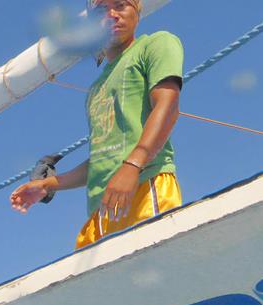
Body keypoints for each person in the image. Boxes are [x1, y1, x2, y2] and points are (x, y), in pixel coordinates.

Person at [10, 0, 183, 250]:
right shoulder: (94, 90)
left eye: (121, 5)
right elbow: (101, 159)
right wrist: (47, 184)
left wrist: (133, 165)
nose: (112, 15)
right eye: (101, 11)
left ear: (137, 10)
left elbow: (167, 106)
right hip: (99, 210)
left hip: (144, 184)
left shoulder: (156, 44)